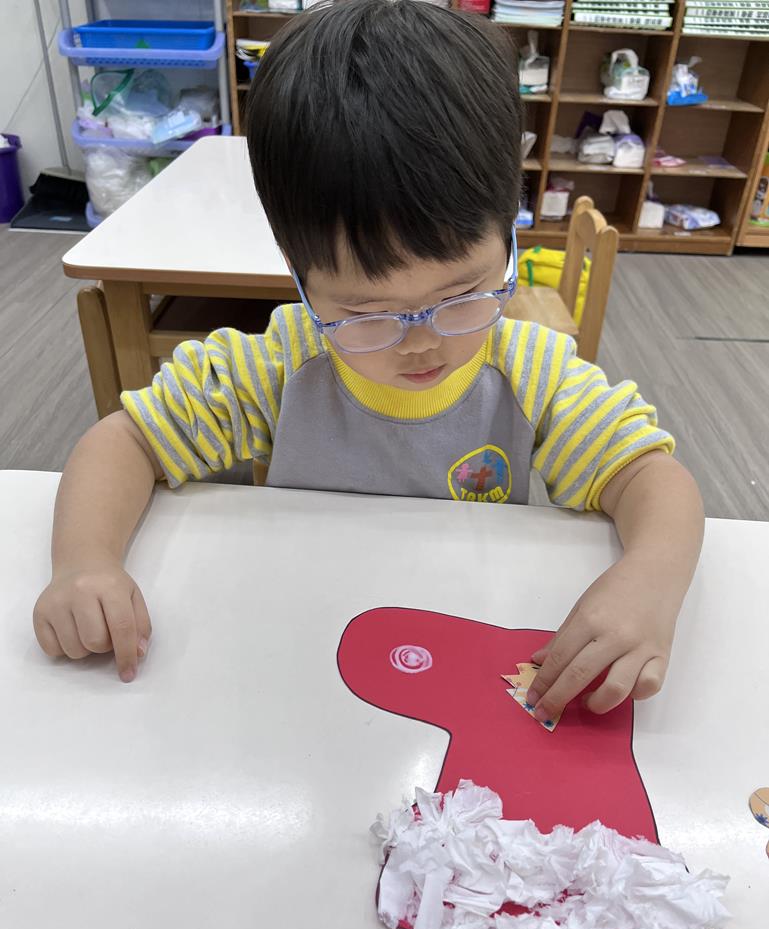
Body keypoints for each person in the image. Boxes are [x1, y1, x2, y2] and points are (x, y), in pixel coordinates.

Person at [33, 0, 704, 727]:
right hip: (304, 654)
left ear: (508, 235)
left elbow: (651, 476)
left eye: (463, 296)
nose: (421, 342)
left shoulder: (528, 372)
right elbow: (126, 441)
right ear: (297, 273)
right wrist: (85, 561)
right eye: (365, 314)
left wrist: (648, 582)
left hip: (463, 647)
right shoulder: (281, 364)